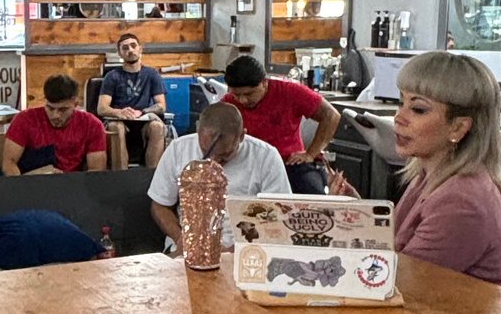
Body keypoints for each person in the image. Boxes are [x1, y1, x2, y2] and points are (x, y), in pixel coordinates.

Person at [330, 51, 501, 285]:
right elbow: (394, 245)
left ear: (458, 128)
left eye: (418, 109)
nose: (399, 117)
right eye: (402, 103)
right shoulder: (429, 176)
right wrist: (357, 212)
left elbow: (398, 282)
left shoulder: (462, 200)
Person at [147, 103, 289, 255]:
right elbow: (159, 205)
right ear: (198, 129)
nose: (214, 161)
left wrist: (238, 250)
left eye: (224, 155)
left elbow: (279, 215)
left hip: (246, 250)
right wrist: (181, 238)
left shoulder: (266, 156)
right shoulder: (178, 149)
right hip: (187, 246)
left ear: (242, 136)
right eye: (206, 153)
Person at [223, 55, 341, 194]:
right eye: (237, 95)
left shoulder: (289, 92)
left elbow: (331, 115)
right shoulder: (228, 102)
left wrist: (310, 154)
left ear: (264, 83)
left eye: (249, 94)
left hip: (289, 163)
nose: (242, 100)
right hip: (248, 164)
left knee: (312, 196)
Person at [2, 75, 107, 175]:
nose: (55, 115)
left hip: (71, 185)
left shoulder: (92, 125)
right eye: (50, 108)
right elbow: (9, 164)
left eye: (63, 110)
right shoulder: (24, 119)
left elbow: (96, 172)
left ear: (75, 104)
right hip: (30, 184)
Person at [97, 32, 168, 168]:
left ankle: (152, 178)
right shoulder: (112, 76)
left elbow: (161, 106)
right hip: (120, 120)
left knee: (157, 127)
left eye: (133, 46)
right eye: (125, 48)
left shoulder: (152, 74)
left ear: (140, 49)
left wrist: (142, 112)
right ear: (119, 53)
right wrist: (119, 112)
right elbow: (102, 108)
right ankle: (121, 178)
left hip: (143, 119)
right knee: (115, 127)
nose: (130, 50)